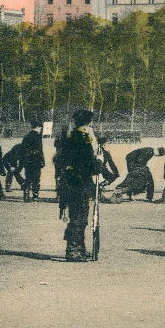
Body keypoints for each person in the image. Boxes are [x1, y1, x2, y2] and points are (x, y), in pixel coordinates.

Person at [58, 110, 100, 261]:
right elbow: (87, 161)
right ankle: (73, 249)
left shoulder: (71, 137)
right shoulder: (82, 138)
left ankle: (79, 247)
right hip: (79, 182)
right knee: (79, 217)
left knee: (79, 216)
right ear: (88, 124)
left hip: (72, 182)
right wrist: (97, 165)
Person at [21, 120, 45, 201]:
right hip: (36, 160)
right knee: (36, 178)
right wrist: (42, 160)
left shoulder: (26, 136)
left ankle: (26, 195)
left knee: (28, 178)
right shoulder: (38, 137)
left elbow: (23, 149)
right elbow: (40, 150)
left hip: (27, 160)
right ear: (38, 127)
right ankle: (35, 195)